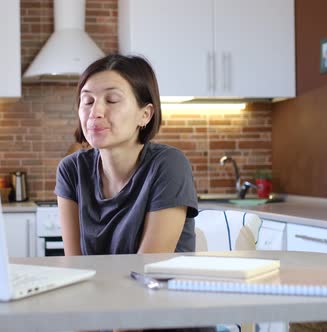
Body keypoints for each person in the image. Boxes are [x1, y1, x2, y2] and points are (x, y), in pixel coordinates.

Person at [55, 54, 212, 332]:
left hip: (166, 321)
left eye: (112, 100)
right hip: (105, 318)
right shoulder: (71, 170)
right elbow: (77, 271)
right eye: (87, 100)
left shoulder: (168, 165)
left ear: (145, 114)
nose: (95, 111)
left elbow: (146, 274)